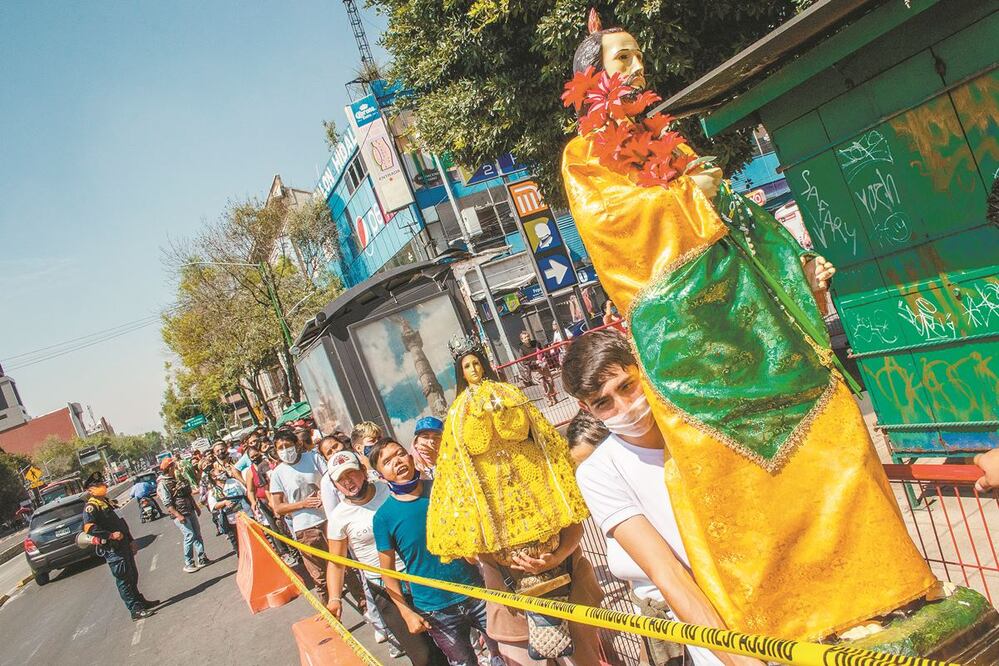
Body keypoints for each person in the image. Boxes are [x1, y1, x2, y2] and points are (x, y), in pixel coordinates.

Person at [560, 16, 937, 642]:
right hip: (688, 344)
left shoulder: (668, 140)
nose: (637, 67)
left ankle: (881, 587)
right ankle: (794, 623)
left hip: (754, 321)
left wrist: (791, 266)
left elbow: (735, 215)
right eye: (622, 58)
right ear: (592, 78)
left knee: (832, 436)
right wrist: (691, 199)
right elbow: (616, 231)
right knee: (745, 485)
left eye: (637, 55)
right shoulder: (583, 156)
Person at [563, 336, 730, 666]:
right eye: (603, 403)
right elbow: (668, 572)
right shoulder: (600, 471)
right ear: (586, 408)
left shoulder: (699, 425)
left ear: (641, 369)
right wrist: (739, 658)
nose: (625, 407)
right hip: (716, 636)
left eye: (627, 386)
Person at [426, 336, 589, 659]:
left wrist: (500, 412)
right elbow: (469, 447)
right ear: (461, 372)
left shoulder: (509, 394)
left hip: (530, 482)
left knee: (583, 649)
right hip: (492, 497)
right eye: (467, 366)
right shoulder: (459, 411)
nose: (473, 370)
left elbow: (523, 431)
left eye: (476, 363)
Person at [370, 439, 499, 666]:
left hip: (477, 590)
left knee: (505, 653)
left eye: (399, 454)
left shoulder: (441, 488)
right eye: (387, 461)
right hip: (434, 608)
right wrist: (406, 613)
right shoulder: (383, 517)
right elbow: (388, 573)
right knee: (463, 662)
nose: (397, 461)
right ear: (381, 476)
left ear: (411, 457)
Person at [325, 449, 444, 665]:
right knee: (422, 655)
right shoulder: (338, 518)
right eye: (341, 479)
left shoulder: (390, 489)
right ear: (335, 486)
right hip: (385, 590)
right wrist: (334, 599)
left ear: (364, 471)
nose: (348, 481)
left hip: (420, 574)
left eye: (351, 473)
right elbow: (336, 564)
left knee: (448, 640)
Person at [82, 473, 159, 620]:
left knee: (132, 575)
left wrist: (130, 540)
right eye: (98, 485)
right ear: (90, 490)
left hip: (124, 545)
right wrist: (110, 535)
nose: (103, 487)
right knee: (124, 580)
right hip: (113, 549)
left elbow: (121, 523)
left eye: (102, 484)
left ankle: (140, 602)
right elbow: (89, 528)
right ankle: (135, 609)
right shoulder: (91, 507)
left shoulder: (107, 502)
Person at [269, 428, 331, 602]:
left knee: (343, 566)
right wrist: (302, 504)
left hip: (327, 519)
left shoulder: (313, 458)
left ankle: (364, 606)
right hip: (304, 528)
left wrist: (323, 493)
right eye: (280, 448)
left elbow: (329, 479)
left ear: (297, 445)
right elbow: (278, 507)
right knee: (319, 576)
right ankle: (329, 612)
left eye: (287, 445)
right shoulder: (278, 473)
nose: (285, 450)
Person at [157, 457, 208, 573]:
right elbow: (167, 503)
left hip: (190, 510)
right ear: (169, 468)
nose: (176, 467)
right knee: (189, 535)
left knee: (197, 534)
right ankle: (189, 563)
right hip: (180, 514)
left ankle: (202, 558)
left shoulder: (177, 478)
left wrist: (196, 507)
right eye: (173, 465)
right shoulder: (163, 483)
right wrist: (178, 515)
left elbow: (188, 494)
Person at [206, 467, 251, 554]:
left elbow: (246, 492)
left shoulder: (234, 482)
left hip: (246, 514)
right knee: (238, 543)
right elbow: (213, 506)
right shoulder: (213, 491)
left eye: (222, 470)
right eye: (219, 472)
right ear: (214, 477)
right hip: (231, 521)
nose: (223, 472)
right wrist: (224, 502)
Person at [517, 330, 558, 406]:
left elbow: (543, 351)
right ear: (522, 340)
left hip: (543, 366)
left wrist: (544, 358)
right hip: (535, 369)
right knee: (542, 383)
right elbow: (524, 362)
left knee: (550, 381)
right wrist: (535, 362)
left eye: (528, 336)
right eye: (525, 338)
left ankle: (553, 396)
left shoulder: (536, 343)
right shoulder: (522, 349)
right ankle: (548, 400)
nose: (527, 338)